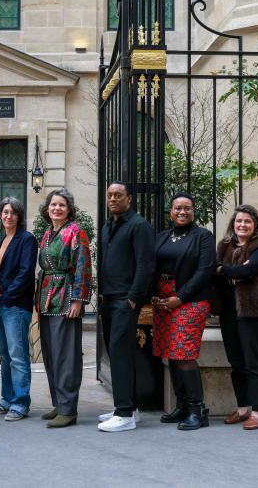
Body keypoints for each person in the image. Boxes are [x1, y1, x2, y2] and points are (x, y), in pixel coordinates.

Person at [150, 192, 215, 431]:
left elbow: (205, 271)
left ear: (193, 212)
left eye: (187, 208)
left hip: (191, 301)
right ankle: (182, 405)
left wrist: (180, 298)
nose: (182, 212)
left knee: (184, 353)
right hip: (163, 301)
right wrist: (153, 295)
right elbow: (150, 266)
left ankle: (198, 410)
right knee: (171, 353)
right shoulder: (162, 237)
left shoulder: (203, 237)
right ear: (171, 212)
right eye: (178, 208)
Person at [214, 204, 258, 430]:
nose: (242, 225)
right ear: (233, 223)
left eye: (247, 221)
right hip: (228, 310)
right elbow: (215, 269)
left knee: (253, 362)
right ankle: (242, 409)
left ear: (255, 225)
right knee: (236, 362)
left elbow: (246, 271)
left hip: (254, 311)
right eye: (239, 221)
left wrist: (223, 270)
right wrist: (227, 270)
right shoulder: (225, 246)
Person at [97, 181, 155, 433]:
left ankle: (124, 415)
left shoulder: (139, 225)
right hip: (109, 299)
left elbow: (146, 265)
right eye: (110, 195)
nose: (113, 199)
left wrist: (133, 298)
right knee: (117, 353)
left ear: (129, 199)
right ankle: (130, 408)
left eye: (118, 195)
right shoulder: (108, 226)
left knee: (120, 354)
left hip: (125, 299)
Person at [36, 188, 92, 428]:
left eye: (62, 205)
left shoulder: (76, 231)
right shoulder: (48, 233)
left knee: (66, 356)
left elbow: (83, 266)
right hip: (47, 298)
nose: (57, 208)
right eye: (53, 205)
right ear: (47, 209)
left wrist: (78, 299)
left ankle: (68, 409)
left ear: (69, 209)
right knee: (50, 354)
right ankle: (59, 403)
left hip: (66, 297)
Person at [0, 197, 37, 422]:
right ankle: (7, 399)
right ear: (0, 215)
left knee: (18, 356)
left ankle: (20, 403)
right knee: (5, 356)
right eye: (5, 212)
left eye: (13, 212)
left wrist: (7, 297)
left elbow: (25, 273)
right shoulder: (1, 240)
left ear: (19, 216)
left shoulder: (26, 239)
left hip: (15, 305)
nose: (8, 216)